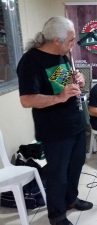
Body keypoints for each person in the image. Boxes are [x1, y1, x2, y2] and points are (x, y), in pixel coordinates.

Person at [17, 17, 93, 225]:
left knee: (76, 165)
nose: (73, 44)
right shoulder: (31, 61)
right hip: (54, 130)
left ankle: (70, 199)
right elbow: (26, 99)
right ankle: (57, 215)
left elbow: (65, 84)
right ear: (56, 40)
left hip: (75, 123)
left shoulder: (63, 55)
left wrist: (78, 80)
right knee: (58, 174)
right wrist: (59, 98)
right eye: (71, 40)